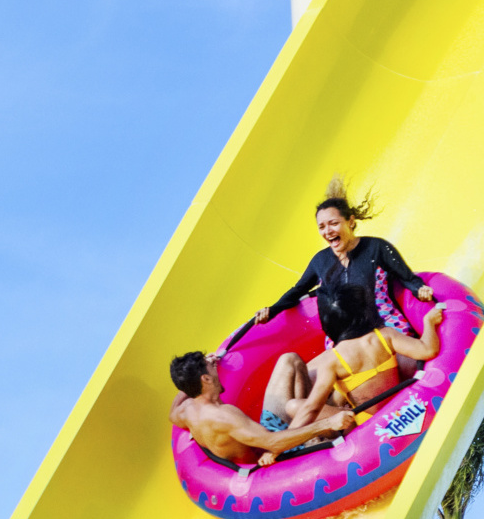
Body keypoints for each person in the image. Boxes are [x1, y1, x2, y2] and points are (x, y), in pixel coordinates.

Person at [255, 178, 429, 334]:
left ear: (351, 221)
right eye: (322, 227)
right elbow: (297, 291)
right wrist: (272, 310)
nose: (327, 231)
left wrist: (419, 289)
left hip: (386, 326)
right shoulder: (320, 261)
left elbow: (407, 278)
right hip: (345, 337)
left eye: (333, 223)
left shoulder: (376, 247)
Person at [273, 283, 445, 429]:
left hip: (364, 422)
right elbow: (429, 350)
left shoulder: (333, 360)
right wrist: (428, 323)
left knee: (294, 406)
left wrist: (284, 444)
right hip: (395, 405)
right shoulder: (385, 335)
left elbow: (311, 408)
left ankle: (290, 438)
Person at [170, 351, 355, 466]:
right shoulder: (224, 416)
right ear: (206, 379)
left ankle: (311, 408)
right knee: (300, 409)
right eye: (210, 366)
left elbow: (171, 413)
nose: (214, 366)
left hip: (267, 433)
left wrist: (190, 383)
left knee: (289, 360)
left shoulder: (185, 410)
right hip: (276, 455)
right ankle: (319, 426)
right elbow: (273, 444)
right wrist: (327, 423)